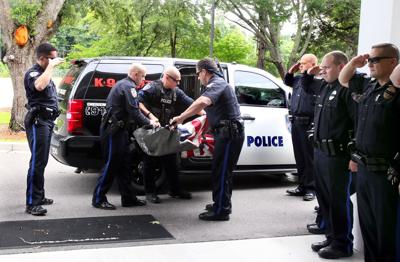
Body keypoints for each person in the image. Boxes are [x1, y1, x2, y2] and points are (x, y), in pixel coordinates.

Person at [339, 43, 400, 262]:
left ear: (393, 62)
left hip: (387, 174)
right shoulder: (369, 87)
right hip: (364, 168)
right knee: (368, 227)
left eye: (376, 60)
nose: (371, 64)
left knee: (388, 230)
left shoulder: (397, 92)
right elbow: (343, 79)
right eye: (370, 60)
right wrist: (355, 63)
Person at [171, 58, 244, 221]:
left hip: (229, 134)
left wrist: (182, 117)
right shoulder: (218, 84)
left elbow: (203, 102)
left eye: (198, 74)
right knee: (221, 171)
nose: (198, 78)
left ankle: (221, 211)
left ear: (204, 71)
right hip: (226, 133)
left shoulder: (217, 83)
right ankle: (221, 203)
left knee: (222, 173)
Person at [302, 51, 355, 259]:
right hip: (321, 152)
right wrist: (309, 73)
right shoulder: (326, 86)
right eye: (321, 67)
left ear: (342, 67)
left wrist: (354, 156)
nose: (322, 70)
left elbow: (357, 123)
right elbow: (306, 86)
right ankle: (331, 237)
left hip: (338, 156)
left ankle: (343, 244)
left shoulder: (347, 89)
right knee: (324, 198)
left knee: (338, 201)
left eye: (327, 66)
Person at [92, 63, 158, 210]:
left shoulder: (124, 85)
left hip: (120, 131)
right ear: (135, 74)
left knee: (125, 164)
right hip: (113, 131)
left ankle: (128, 197)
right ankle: (98, 198)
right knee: (111, 165)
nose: (144, 79)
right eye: (143, 76)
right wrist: (150, 122)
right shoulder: (128, 87)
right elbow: (134, 112)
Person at [138, 66, 196, 203]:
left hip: (168, 131)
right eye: (176, 80)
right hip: (151, 131)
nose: (178, 83)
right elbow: (137, 102)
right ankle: (150, 192)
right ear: (167, 77)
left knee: (172, 162)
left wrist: (205, 114)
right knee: (150, 162)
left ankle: (175, 190)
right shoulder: (152, 88)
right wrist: (150, 116)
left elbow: (193, 105)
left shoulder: (177, 92)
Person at [24, 43, 64, 216]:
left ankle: (39, 196)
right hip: (37, 122)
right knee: (37, 162)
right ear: (42, 58)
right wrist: (51, 67)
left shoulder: (45, 73)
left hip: (46, 122)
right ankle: (32, 203)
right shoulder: (33, 73)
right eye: (52, 58)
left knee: (42, 161)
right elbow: (39, 86)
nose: (55, 62)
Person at [285, 54, 318, 201]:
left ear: (312, 64)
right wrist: (291, 70)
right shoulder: (298, 79)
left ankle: (311, 188)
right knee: (300, 157)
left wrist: (308, 72)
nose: (301, 65)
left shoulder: (316, 80)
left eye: (303, 63)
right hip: (296, 123)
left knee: (309, 157)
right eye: (300, 63)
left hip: (308, 123)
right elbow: (287, 81)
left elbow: (308, 83)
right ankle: (302, 185)